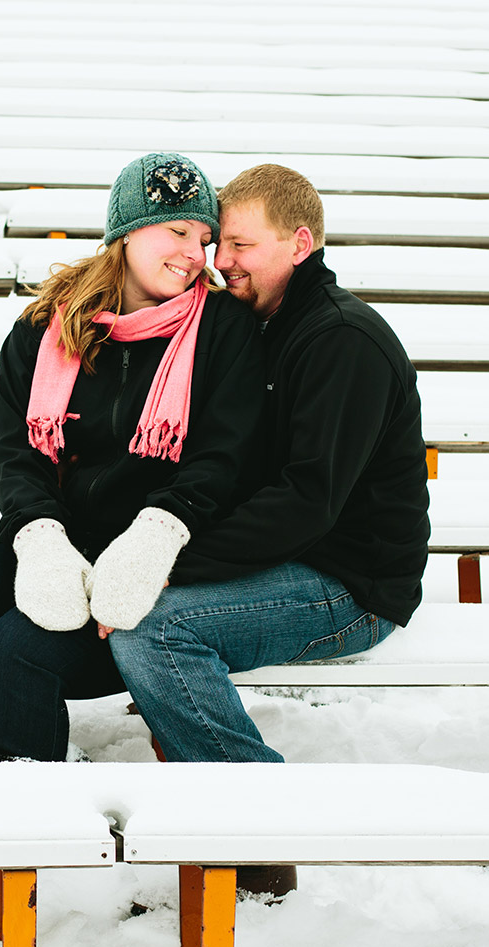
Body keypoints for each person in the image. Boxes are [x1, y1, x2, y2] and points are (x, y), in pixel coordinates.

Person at [0, 153, 264, 763]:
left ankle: (24, 828)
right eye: (177, 231)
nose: (195, 254)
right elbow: (15, 451)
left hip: (153, 551)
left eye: (203, 237)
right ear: (126, 231)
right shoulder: (48, 326)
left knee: (14, 654)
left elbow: (223, 455)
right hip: (56, 535)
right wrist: (39, 537)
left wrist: (154, 541)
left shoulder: (223, 328)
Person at [108, 164, 431, 777]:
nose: (219, 260)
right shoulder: (262, 324)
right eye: (218, 243)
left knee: (149, 628)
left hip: (350, 583)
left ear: (300, 245)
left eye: (241, 245)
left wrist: (170, 567)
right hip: (291, 557)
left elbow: (306, 501)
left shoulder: (342, 339)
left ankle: (255, 816)